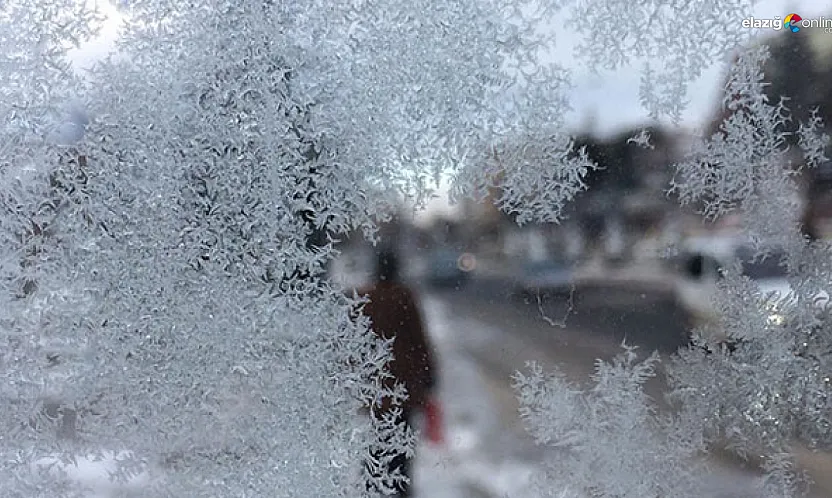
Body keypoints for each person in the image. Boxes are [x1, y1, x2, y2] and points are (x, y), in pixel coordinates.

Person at [357, 247, 436, 497]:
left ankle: (373, 486)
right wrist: (429, 376)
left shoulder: (365, 298)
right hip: (403, 387)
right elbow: (419, 340)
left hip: (377, 387)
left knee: (378, 440)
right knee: (401, 444)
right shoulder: (404, 297)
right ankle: (398, 488)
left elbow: (355, 343)